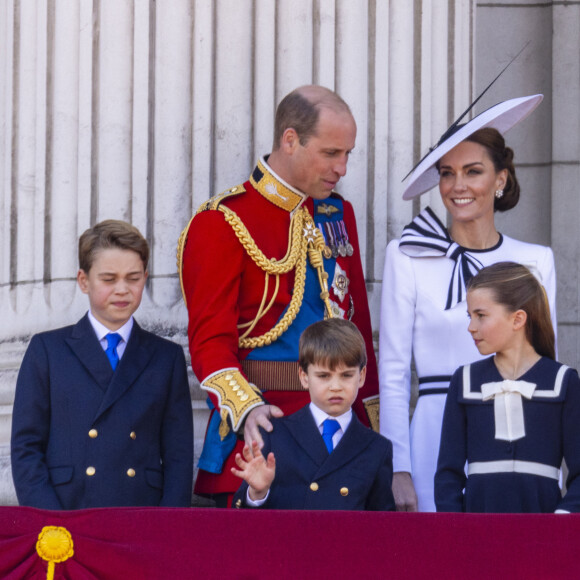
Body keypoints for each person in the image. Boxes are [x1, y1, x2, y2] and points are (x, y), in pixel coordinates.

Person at [178, 85, 379, 507]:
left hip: (341, 431)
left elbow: (359, 333)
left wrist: (372, 428)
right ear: (290, 140)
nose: (342, 167)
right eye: (330, 153)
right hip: (265, 426)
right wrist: (247, 408)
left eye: (347, 154)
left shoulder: (337, 215)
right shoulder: (222, 221)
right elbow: (209, 342)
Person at [379, 95, 557, 512]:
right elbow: (391, 371)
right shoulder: (406, 255)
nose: (458, 186)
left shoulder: (536, 260)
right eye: (447, 173)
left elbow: (547, 370)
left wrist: (553, 464)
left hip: (516, 432)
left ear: (500, 179)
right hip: (432, 432)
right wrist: (397, 465)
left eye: (472, 171)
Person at [11, 220, 193, 509]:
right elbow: (26, 449)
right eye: (109, 279)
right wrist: (52, 523)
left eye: (133, 278)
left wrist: (167, 527)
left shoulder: (165, 357)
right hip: (68, 512)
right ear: (83, 281)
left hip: (141, 516)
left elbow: (178, 457)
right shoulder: (47, 350)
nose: (122, 289)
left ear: (145, 277)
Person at [435, 262, 580, 513]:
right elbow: (448, 473)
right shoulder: (465, 380)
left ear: (518, 319)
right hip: (477, 531)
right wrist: (456, 526)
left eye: (481, 315)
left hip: (543, 533)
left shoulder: (563, 381)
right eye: (470, 316)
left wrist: (561, 521)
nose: (471, 327)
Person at [231, 318, 394, 510]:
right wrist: (257, 493)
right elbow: (241, 519)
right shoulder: (276, 435)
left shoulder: (376, 448)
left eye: (347, 375)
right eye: (324, 376)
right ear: (304, 377)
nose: (336, 387)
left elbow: (382, 525)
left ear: (362, 376)